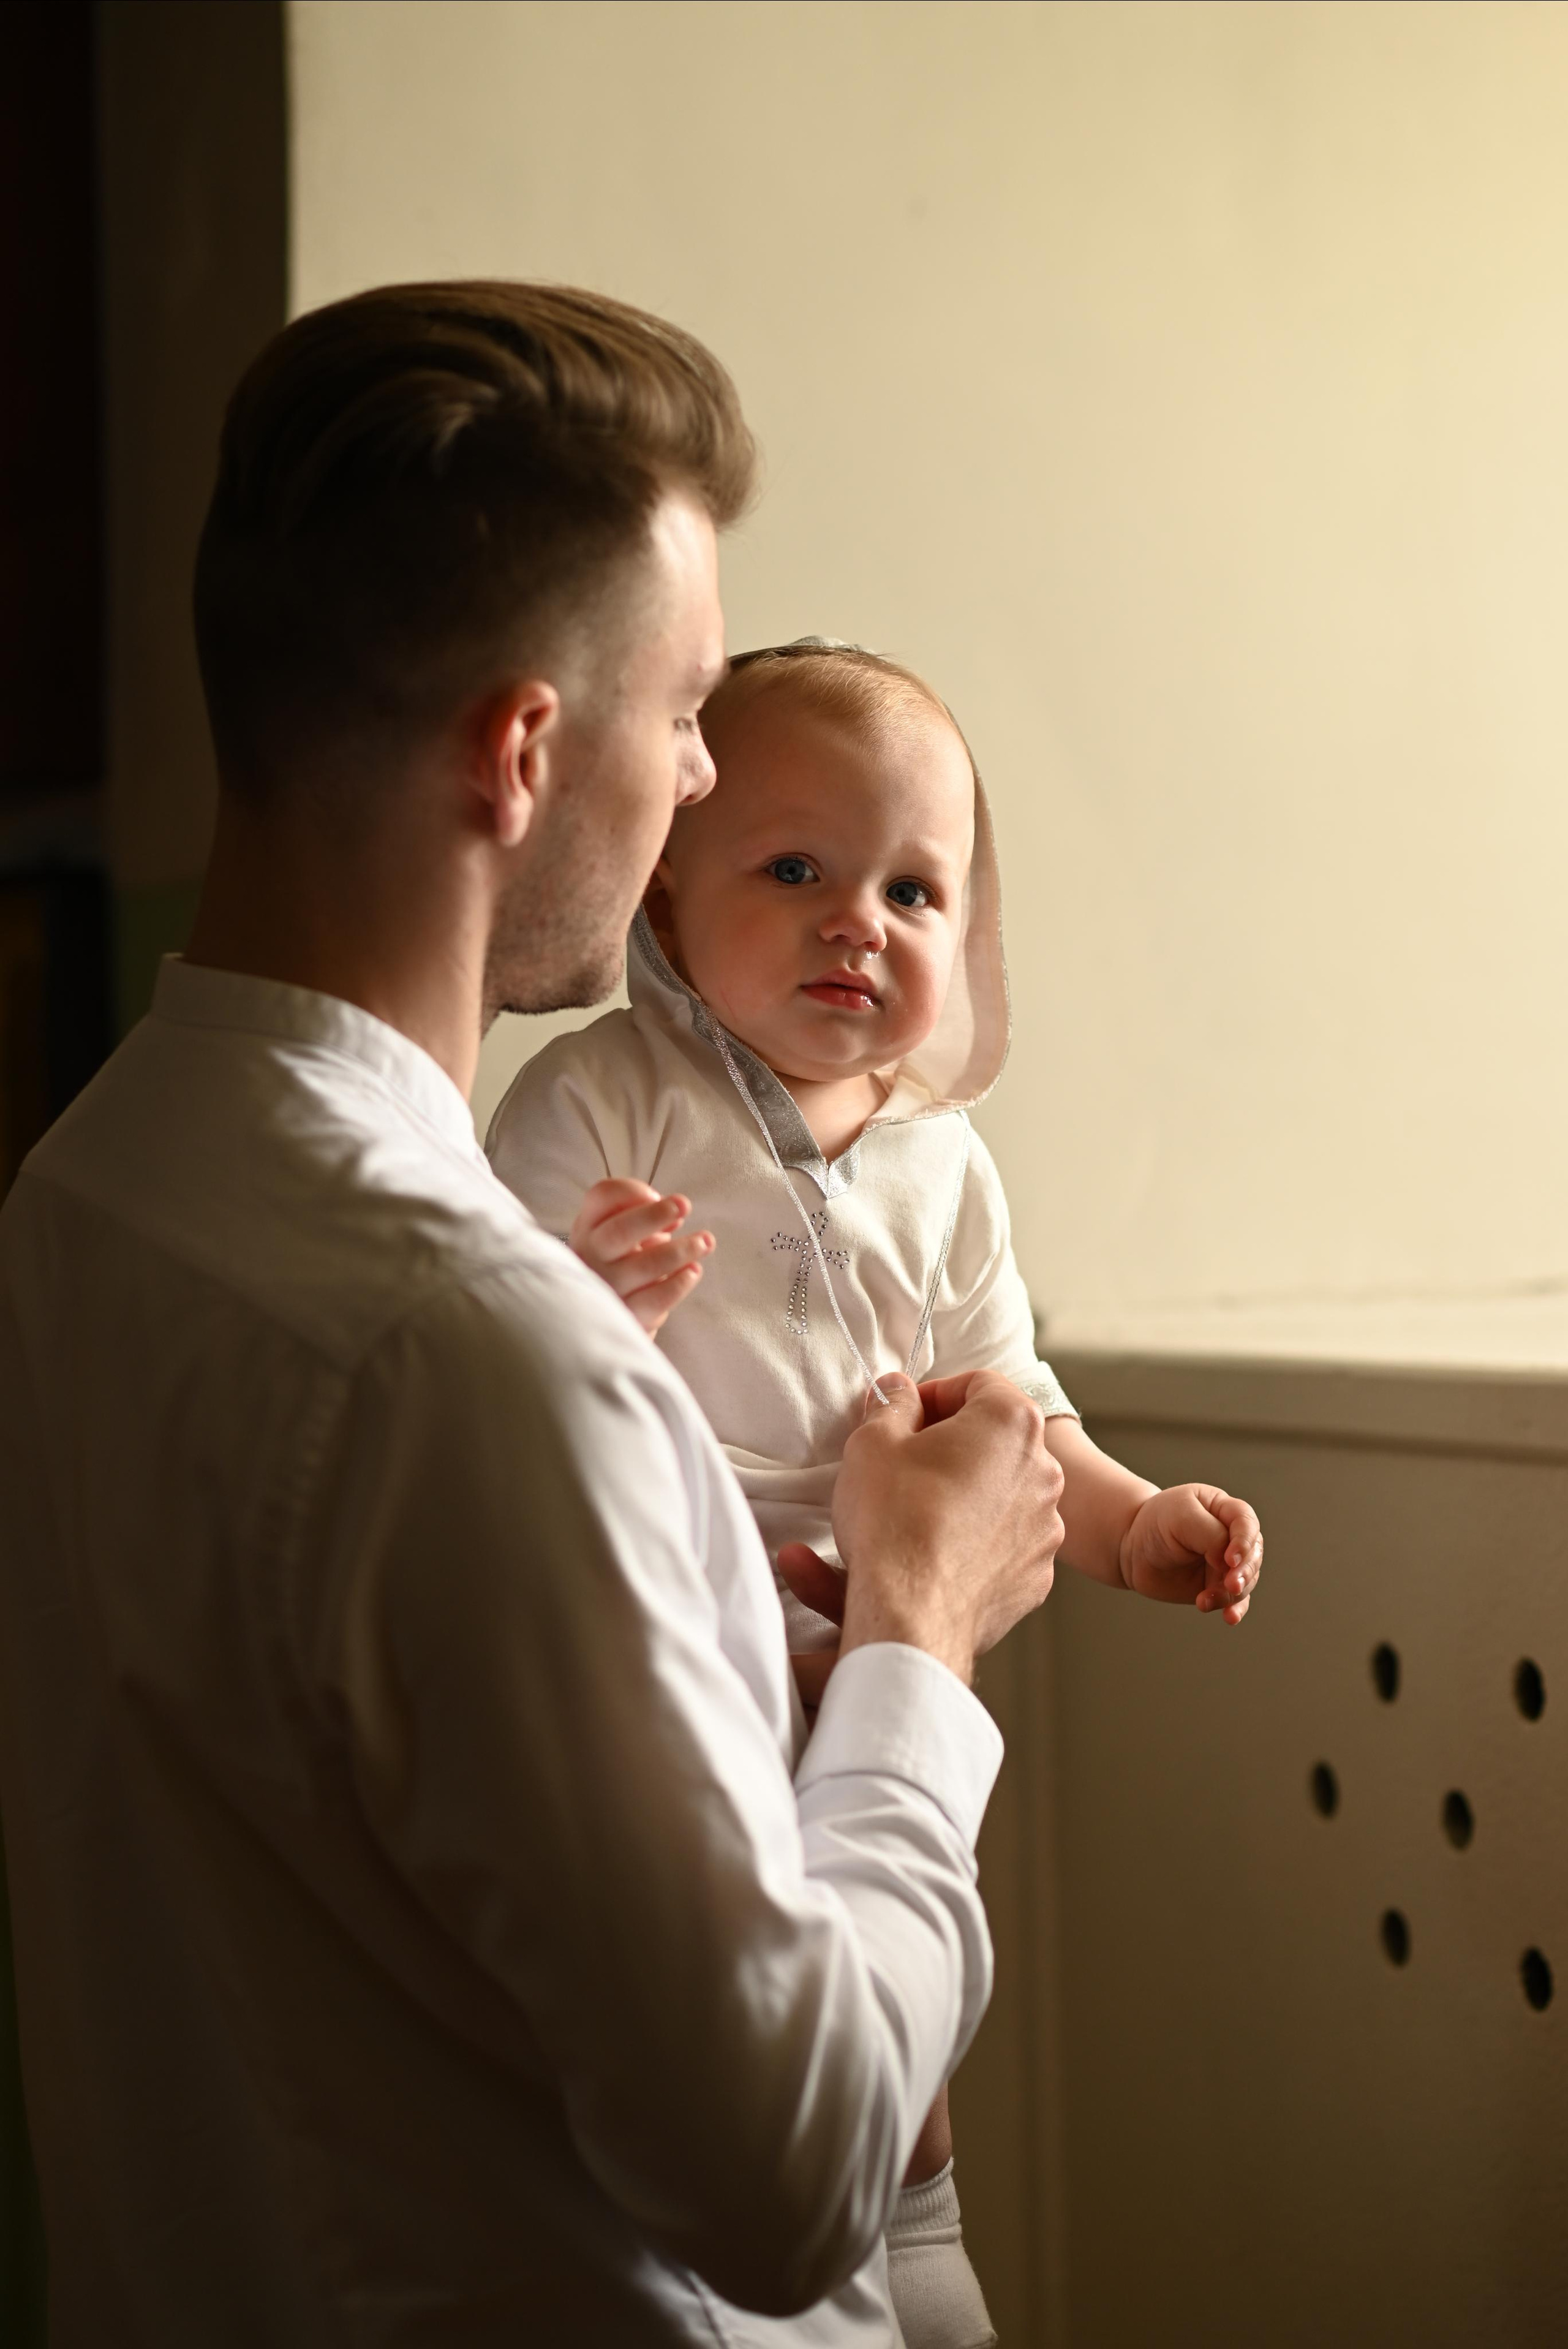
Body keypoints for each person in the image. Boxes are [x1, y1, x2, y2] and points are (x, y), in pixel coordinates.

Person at [0, 282, 1067, 2347]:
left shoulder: (86, 1191)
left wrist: (681, 1610)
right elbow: (798, 2168)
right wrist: (920, 1635)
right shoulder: (480, 1354)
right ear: (522, 750)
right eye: (682, 713)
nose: (693, 773)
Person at [488, 638, 1265, 2346]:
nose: (863, 922)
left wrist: (1134, 1520)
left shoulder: (943, 1165)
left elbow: (1013, 1407)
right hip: (681, 1632)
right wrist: (566, 1295)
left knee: (893, 1968)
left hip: (885, 1639)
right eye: (796, 871)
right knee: (733, 1988)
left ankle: (923, 2235)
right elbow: (475, 1376)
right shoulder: (602, 1100)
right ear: (666, 896)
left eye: (916, 889)